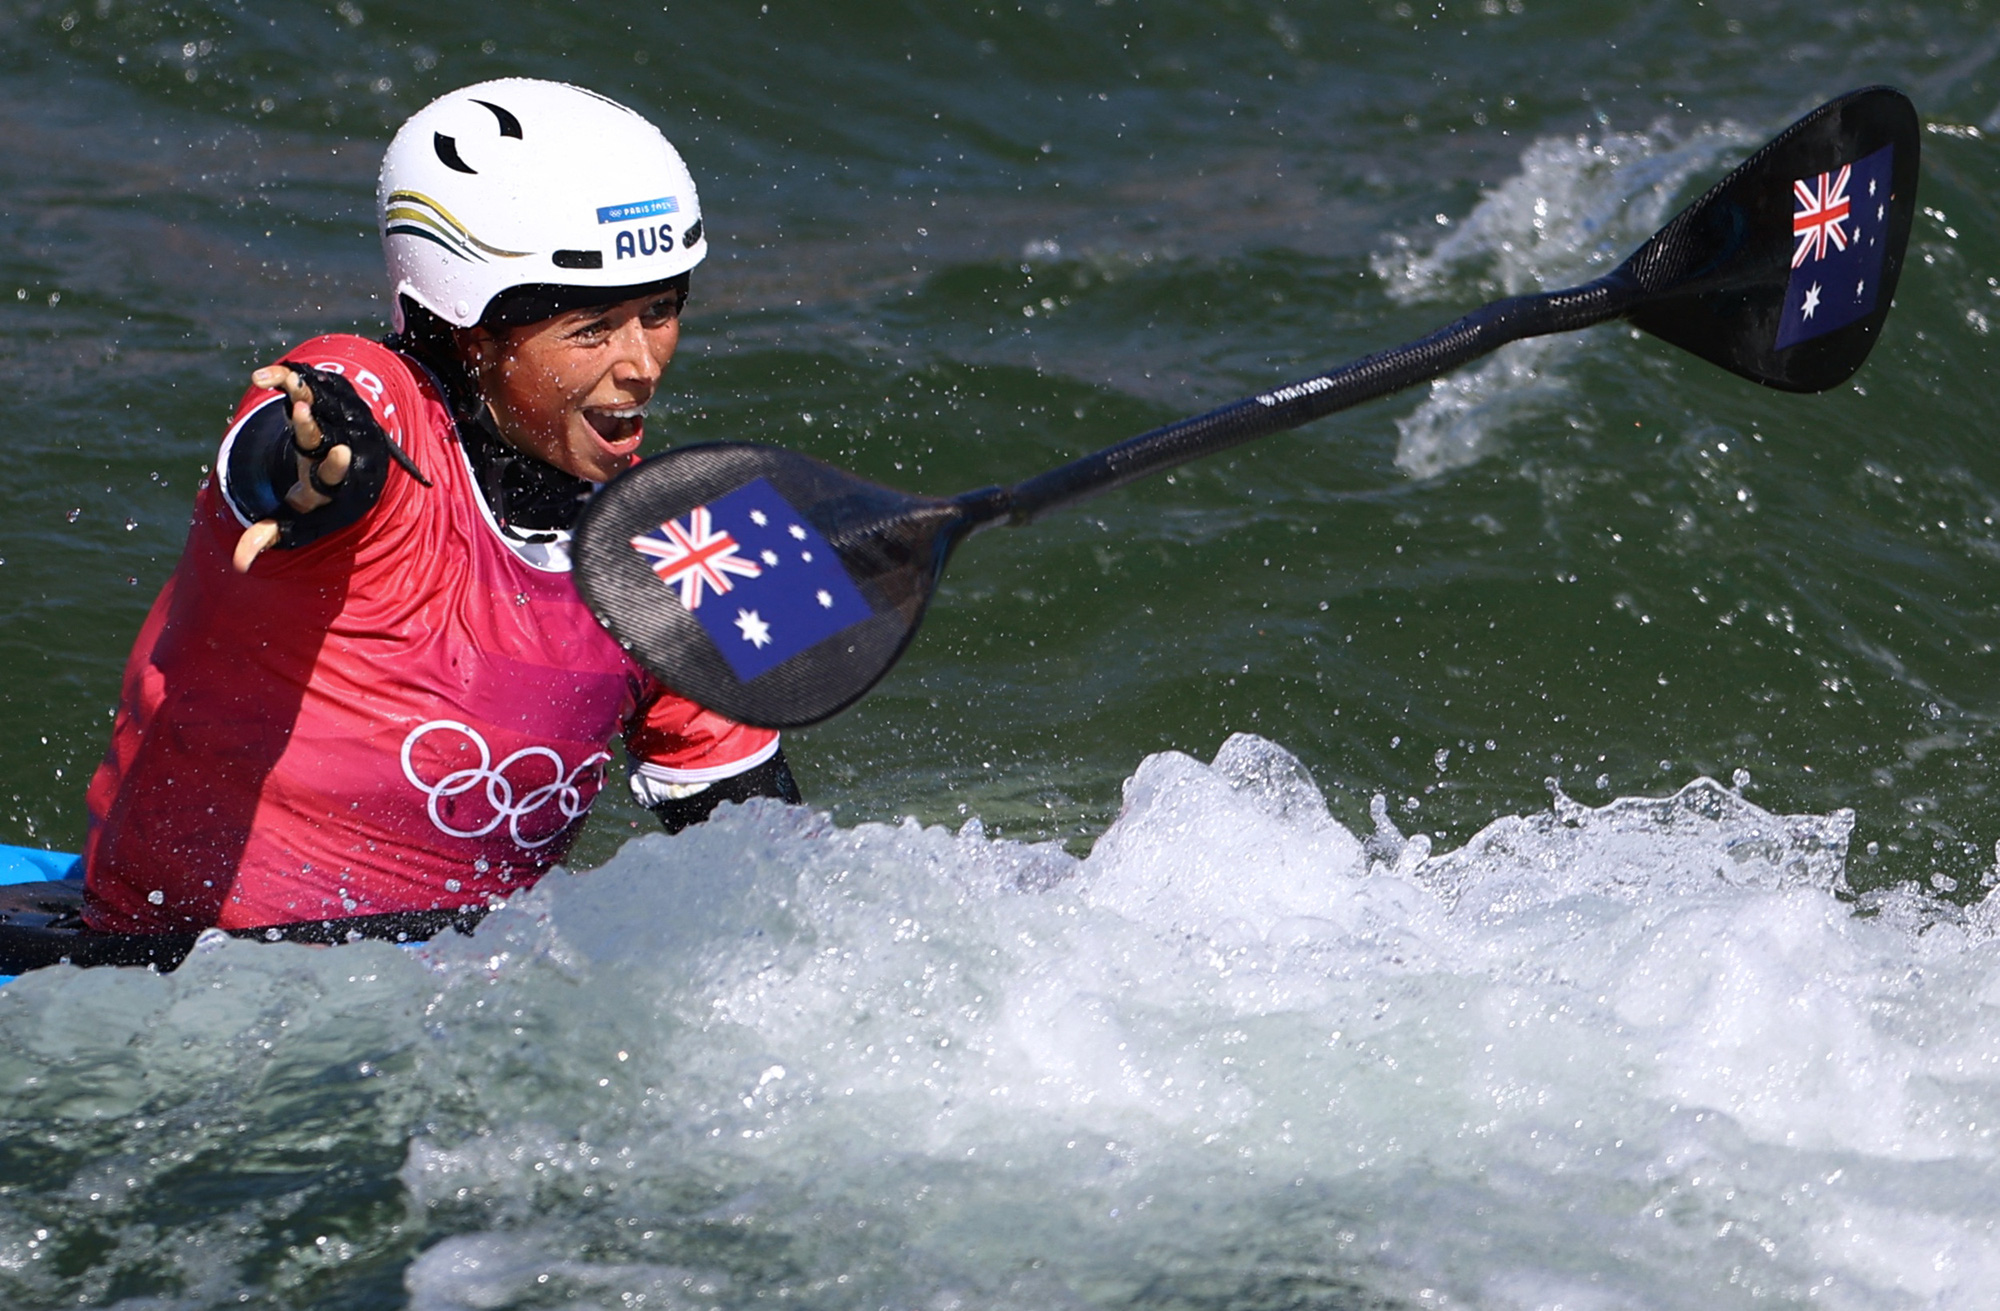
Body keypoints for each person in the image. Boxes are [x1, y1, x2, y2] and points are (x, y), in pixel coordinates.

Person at [81, 79, 800, 941]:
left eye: (660, 310)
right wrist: (314, 468)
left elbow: (765, 862)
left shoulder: (685, 536)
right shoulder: (371, 407)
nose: (642, 363)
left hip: (455, 1013)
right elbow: (298, 426)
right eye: (594, 326)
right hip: (172, 970)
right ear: (473, 332)